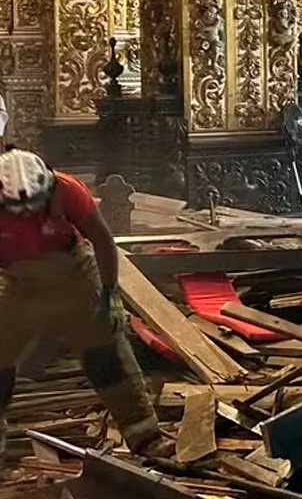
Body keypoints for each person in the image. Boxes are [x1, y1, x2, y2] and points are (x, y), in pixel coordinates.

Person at [0, 148, 173, 463]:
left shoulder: (67, 189)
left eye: (32, 206)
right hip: (19, 281)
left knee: (105, 354)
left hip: (74, 275)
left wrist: (110, 294)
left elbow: (103, 239)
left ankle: (145, 435)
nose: (26, 214)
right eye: (17, 209)